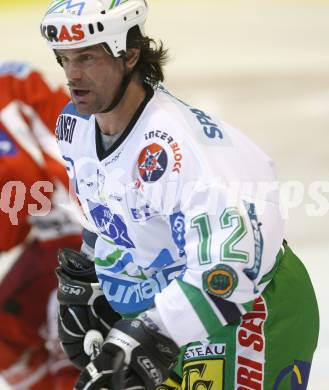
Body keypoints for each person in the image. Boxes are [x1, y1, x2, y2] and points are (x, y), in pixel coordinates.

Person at [40, 1, 319, 389]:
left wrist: (146, 334)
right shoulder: (76, 126)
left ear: (130, 55)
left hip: (248, 308)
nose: (72, 75)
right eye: (64, 59)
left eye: (87, 58)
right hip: (174, 304)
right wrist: (92, 278)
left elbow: (231, 271)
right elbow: (105, 214)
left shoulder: (180, 148)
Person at [0, 61, 82, 389]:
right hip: (71, 229)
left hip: (86, 234)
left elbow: (23, 188)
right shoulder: (17, 76)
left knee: (72, 334)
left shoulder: (10, 90)